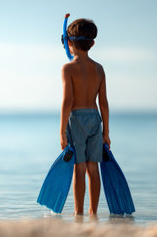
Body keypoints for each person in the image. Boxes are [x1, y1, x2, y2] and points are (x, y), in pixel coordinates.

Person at [59, 18, 110, 217]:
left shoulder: (68, 68)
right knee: (93, 167)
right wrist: (106, 132)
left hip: (76, 120)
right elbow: (104, 102)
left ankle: (79, 213)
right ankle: (93, 213)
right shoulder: (99, 69)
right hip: (95, 119)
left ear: (68, 43)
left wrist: (62, 131)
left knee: (78, 168)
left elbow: (67, 102)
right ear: (93, 43)